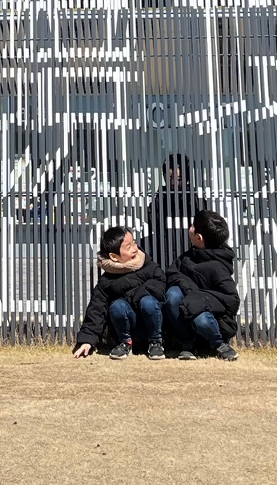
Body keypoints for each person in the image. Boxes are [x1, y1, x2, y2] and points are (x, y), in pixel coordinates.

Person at [72, 225, 165, 360]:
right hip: (126, 328)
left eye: (134, 243)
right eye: (128, 247)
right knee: (118, 306)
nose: (134, 249)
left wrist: (133, 296)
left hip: (151, 325)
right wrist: (87, 340)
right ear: (114, 257)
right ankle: (125, 343)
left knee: (148, 301)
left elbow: (160, 287)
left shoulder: (149, 266)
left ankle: (156, 342)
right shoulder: (107, 281)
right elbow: (96, 310)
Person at [162, 207, 240, 361]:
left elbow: (232, 300)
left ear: (199, 237)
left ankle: (219, 344)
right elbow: (172, 273)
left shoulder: (218, 266)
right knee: (172, 295)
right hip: (186, 311)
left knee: (201, 318)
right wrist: (189, 289)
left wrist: (200, 300)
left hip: (211, 316)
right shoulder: (190, 256)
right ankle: (187, 342)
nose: (189, 228)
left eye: (192, 226)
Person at [144, 153, 201, 271]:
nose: (174, 183)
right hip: (165, 257)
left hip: (191, 259)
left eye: (178, 179)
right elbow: (153, 222)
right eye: (169, 178)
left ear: (188, 178)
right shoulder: (160, 200)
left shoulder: (196, 201)